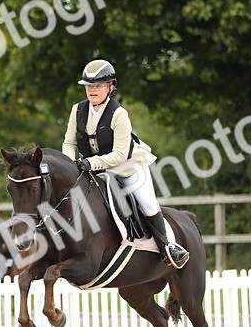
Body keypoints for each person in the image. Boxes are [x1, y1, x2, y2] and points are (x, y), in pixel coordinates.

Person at [61, 59, 189, 269]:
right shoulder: (77, 110)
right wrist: (69, 164)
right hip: (92, 167)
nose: (92, 90)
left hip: (128, 166)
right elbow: (69, 143)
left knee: (146, 202)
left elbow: (120, 155)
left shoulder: (119, 114)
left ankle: (168, 247)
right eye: (89, 86)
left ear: (110, 88)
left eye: (98, 85)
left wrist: (89, 163)